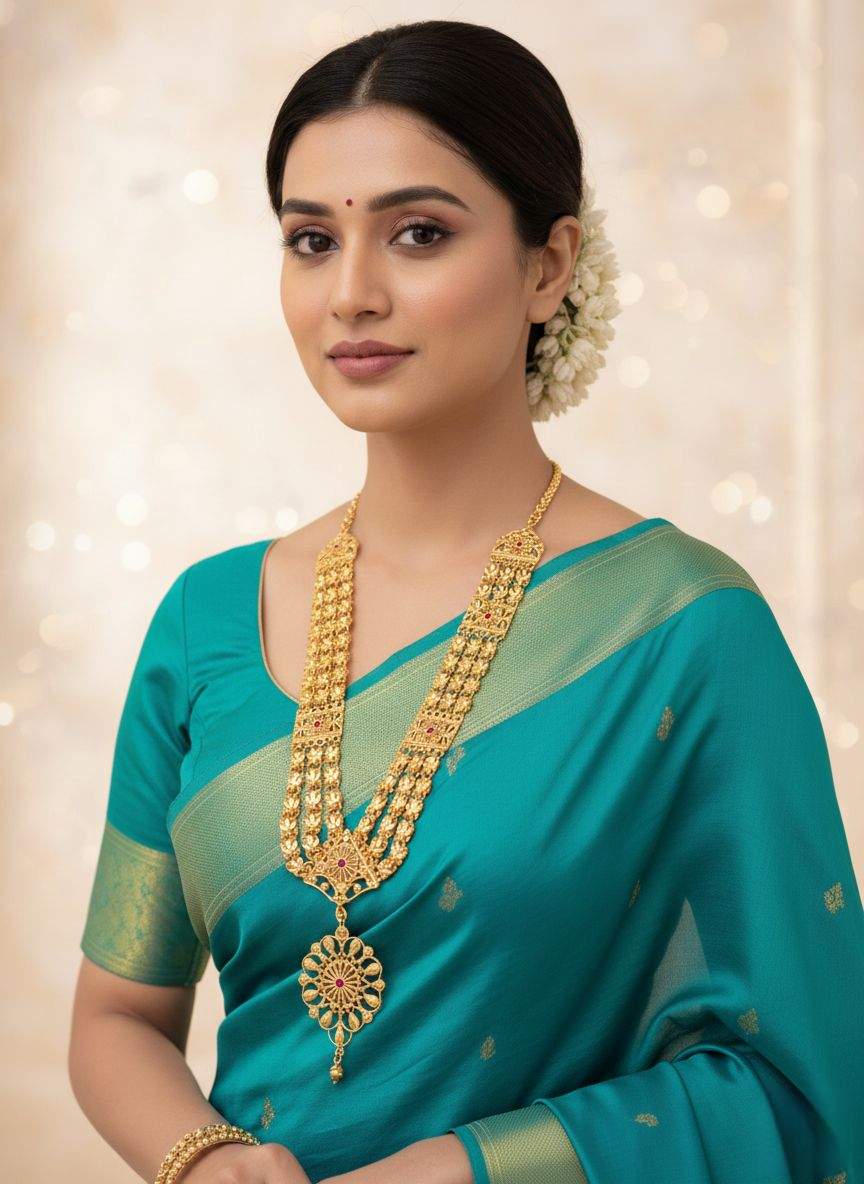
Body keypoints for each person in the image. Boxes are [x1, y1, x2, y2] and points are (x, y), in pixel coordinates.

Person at [68, 18, 864, 1184]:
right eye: (309, 239)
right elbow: (117, 1018)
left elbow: (799, 1085)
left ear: (549, 264)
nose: (351, 293)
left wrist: (468, 1167)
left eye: (419, 233)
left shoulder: (683, 628)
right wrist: (202, 1156)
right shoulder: (205, 622)